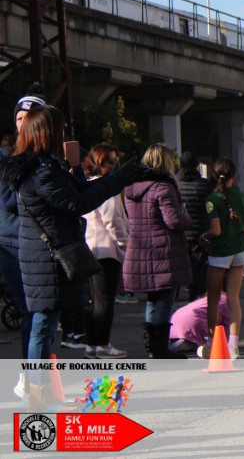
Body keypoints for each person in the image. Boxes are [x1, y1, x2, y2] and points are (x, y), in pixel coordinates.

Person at [0, 105, 140, 409]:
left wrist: (112, 176)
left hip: (44, 255)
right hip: (46, 258)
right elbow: (78, 202)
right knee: (42, 325)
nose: (64, 134)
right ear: (47, 131)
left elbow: (80, 190)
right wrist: (117, 179)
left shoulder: (43, 165)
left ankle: (39, 393)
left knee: (45, 325)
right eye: (60, 128)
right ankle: (37, 396)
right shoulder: (41, 171)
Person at [123, 143, 193, 359]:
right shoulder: (163, 186)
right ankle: (160, 348)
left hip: (140, 248)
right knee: (164, 299)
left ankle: (152, 346)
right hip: (163, 250)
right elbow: (173, 220)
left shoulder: (131, 187)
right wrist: (188, 219)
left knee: (153, 300)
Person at [0, 92, 46, 400]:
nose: (23, 123)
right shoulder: (8, 158)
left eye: (30, 118)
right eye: (19, 118)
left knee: (43, 316)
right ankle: (32, 382)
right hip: (13, 245)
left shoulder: (49, 157)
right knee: (33, 313)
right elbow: (7, 201)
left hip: (43, 245)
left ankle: (36, 381)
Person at [199, 157, 244, 359]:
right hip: (240, 251)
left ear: (214, 176)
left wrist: (203, 237)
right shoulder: (243, 197)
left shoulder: (212, 199)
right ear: (234, 176)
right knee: (233, 298)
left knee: (213, 298)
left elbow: (216, 230)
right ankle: (234, 345)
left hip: (220, 252)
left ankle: (211, 343)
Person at [81, 144, 129, 358]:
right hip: (106, 251)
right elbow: (113, 221)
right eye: (110, 161)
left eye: (115, 160)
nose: (114, 164)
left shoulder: (86, 184)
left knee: (91, 300)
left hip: (88, 248)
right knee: (104, 299)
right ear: (99, 162)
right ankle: (103, 344)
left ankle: (92, 344)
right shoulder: (107, 188)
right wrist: (125, 245)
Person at [176, 151, 213, 299]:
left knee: (180, 267)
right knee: (199, 272)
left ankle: (175, 294)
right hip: (200, 234)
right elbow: (210, 208)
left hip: (181, 233)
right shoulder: (205, 184)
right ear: (197, 166)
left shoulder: (175, 184)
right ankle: (195, 297)